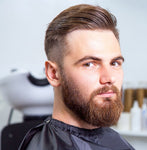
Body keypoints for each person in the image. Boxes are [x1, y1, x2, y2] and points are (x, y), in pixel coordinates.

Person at [18, 4, 134, 150]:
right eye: (90, 64)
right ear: (53, 74)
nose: (109, 77)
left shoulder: (116, 142)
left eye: (115, 63)